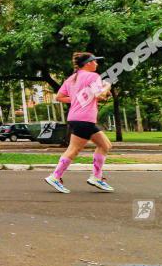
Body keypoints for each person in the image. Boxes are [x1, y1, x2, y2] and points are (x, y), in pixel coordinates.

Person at [45, 52, 114, 193]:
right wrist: (107, 86)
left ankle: (96, 177)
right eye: (95, 61)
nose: (97, 64)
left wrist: (77, 100)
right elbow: (100, 95)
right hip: (84, 118)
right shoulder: (94, 76)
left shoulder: (72, 78)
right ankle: (55, 177)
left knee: (105, 145)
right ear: (88, 63)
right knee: (74, 150)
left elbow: (59, 97)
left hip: (77, 118)